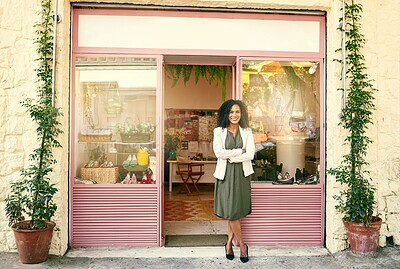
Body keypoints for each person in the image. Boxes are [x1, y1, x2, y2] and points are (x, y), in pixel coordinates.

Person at [213, 99, 255, 263]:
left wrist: (232, 156)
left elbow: (250, 154)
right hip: (225, 175)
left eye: (237, 112)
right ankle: (242, 246)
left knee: (234, 213)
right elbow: (219, 153)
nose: (234, 115)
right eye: (231, 112)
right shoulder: (219, 131)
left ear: (241, 113)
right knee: (232, 213)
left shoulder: (247, 131)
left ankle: (229, 244)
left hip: (242, 175)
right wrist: (239, 151)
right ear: (226, 114)